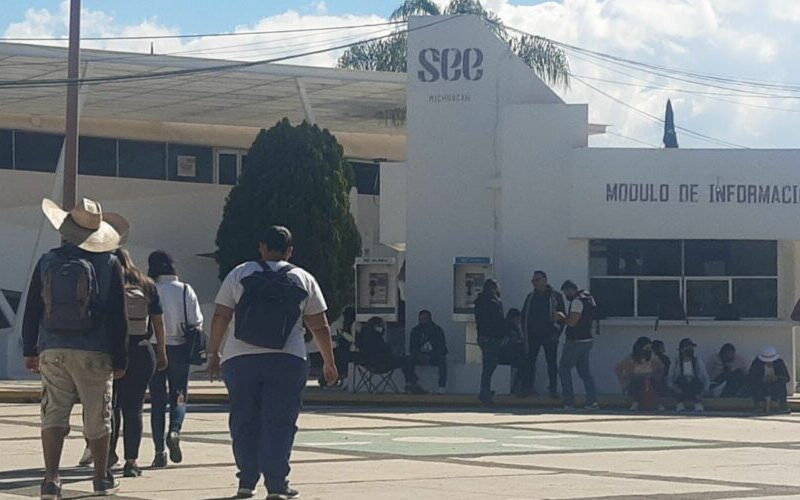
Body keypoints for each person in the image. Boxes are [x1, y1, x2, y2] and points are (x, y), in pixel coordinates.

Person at [208, 225, 337, 500]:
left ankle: (246, 482)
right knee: (279, 421)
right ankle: (277, 485)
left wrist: (213, 353)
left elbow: (220, 316)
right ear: (290, 251)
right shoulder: (303, 278)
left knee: (244, 420)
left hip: (240, 358)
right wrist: (329, 362)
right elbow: (320, 326)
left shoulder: (240, 273)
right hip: (287, 359)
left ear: (262, 248)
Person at [22, 197, 129, 498]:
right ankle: (100, 477)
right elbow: (118, 315)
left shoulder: (47, 261)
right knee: (98, 415)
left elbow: (33, 307)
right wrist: (120, 358)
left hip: (53, 348)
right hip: (95, 350)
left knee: (54, 413)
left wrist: (30, 349)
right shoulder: (109, 263)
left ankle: (51, 479)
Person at [109, 249, 169, 477]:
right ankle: (131, 461)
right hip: (142, 351)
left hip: (113, 351)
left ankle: (107, 456)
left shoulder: (108, 284)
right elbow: (158, 323)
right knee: (133, 409)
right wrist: (161, 352)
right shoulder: (147, 285)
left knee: (110, 408)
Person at [147, 250, 203, 468]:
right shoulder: (186, 290)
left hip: (154, 348)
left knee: (157, 401)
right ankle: (175, 430)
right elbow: (197, 321)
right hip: (180, 348)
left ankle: (159, 451)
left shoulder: (150, 290)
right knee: (179, 394)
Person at [520, 271, 565, 398]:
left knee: (551, 363)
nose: (534, 283)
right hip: (532, 335)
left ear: (545, 280)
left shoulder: (555, 297)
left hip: (550, 335)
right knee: (529, 362)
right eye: (533, 281)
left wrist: (557, 333)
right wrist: (524, 333)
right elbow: (524, 316)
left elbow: (562, 317)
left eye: (537, 280)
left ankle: (553, 389)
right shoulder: (530, 297)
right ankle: (527, 388)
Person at [555, 280, 599, 410]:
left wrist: (562, 317)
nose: (566, 296)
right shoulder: (589, 298)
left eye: (566, 293)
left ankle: (568, 402)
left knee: (564, 369)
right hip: (587, 340)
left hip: (575, 341)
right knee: (584, 372)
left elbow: (572, 322)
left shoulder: (577, 302)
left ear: (570, 290)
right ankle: (592, 401)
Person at [356, 316, 427, 394]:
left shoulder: (362, 336)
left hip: (367, 364)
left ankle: (411, 383)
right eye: (381, 325)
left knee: (405, 360)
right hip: (381, 363)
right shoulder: (374, 337)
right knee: (407, 360)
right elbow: (385, 350)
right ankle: (411, 383)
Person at [474, 279, 505, 406]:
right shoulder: (493, 302)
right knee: (489, 366)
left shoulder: (480, 302)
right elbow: (497, 321)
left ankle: (485, 390)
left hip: (483, 336)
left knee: (488, 366)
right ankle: (484, 393)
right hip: (492, 337)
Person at [615, 337, 664, 411]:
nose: (648, 350)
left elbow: (661, 367)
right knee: (637, 381)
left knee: (655, 383)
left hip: (650, 380)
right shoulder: (631, 358)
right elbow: (618, 368)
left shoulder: (652, 357)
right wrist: (623, 382)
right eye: (646, 348)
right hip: (636, 381)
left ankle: (657, 403)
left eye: (649, 348)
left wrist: (658, 377)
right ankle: (636, 402)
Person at [409, 310, 449, 394]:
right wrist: (419, 354)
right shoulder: (415, 331)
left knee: (442, 360)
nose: (422, 320)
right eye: (421, 319)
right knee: (407, 360)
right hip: (419, 356)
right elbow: (412, 348)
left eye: (425, 318)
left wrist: (430, 355)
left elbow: (442, 348)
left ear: (429, 319)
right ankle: (412, 384)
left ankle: (441, 387)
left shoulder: (437, 330)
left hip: (433, 356)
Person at [668, 338, 709, 412]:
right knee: (682, 380)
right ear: (681, 350)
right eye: (687, 347)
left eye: (691, 347)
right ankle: (680, 404)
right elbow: (670, 379)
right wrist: (674, 388)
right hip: (680, 388)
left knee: (695, 381)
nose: (690, 349)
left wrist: (704, 391)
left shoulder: (697, 361)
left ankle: (698, 404)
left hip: (694, 387)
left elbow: (705, 377)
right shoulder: (675, 362)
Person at [747, 346, 791, 414]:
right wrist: (761, 379)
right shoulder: (757, 363)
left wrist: (777, 378)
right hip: (761, 386)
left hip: (775, 386)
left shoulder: (779, 363)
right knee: (755, 385)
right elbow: (750, 378)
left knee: (782, 385)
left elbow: (787, 378)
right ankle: (758, 405)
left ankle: (782, 405)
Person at [500, 308, 526, 395]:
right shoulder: (509, 327)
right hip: (507, 355)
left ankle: (516, 387)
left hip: (508, 353)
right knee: (523, 364)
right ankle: (517, 387)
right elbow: (510, 341)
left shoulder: (509, 326)